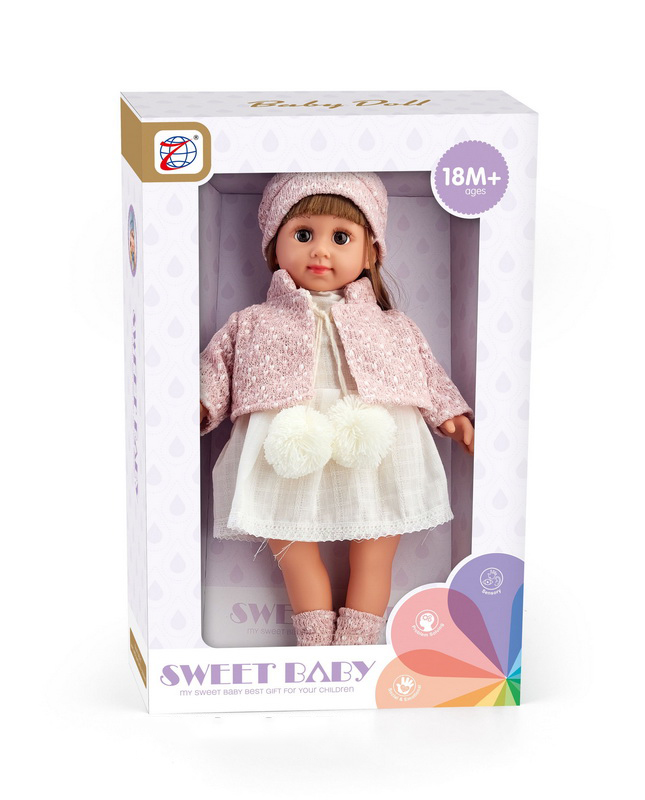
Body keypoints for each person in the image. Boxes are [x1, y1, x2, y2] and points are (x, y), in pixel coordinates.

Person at [200, 172, 474, 646]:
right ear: (275, 246)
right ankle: (316, 649)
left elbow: (427, 373)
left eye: (341, 237)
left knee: (375, 552)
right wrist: (200, 404)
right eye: (303, 234)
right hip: (285, 449)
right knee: (293, 552)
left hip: (378, 447)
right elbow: (217, 368)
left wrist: (449, 414)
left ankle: (355, 648)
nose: (321, 251)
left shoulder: (395, 326)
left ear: (370, 253)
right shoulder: (251, 323)